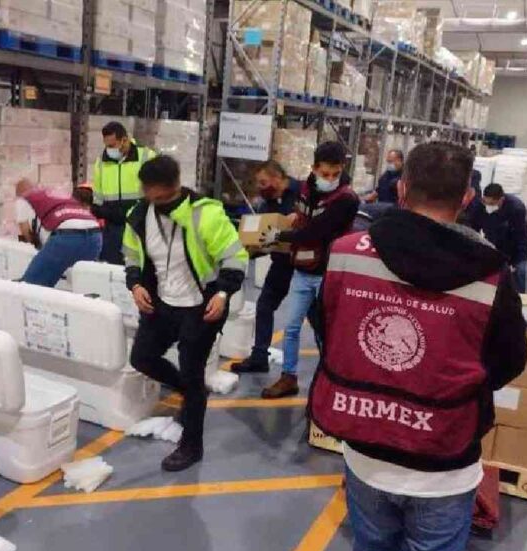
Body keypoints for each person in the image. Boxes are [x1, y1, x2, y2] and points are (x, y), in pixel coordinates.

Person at [310, 142, 527, 551]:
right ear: (467, 198)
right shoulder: (491, 276)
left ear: (402, 188)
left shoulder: (347, 252)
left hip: (365, 452)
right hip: (443, 460)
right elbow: (509, 361)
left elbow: (327, 329)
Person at [125, 156, 248, 472]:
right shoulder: (138, 216)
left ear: (178, 185)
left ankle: (191, 445)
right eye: (155, 198)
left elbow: (235, 257)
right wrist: (135, 284)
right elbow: (131, 254)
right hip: (161, 304)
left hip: (200, 307)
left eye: (168, 197)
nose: (162, 204)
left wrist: (223, 293)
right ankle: (191, 392)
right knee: (142, 358)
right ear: (145, 191)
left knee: (193, 373)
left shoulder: (205, 215)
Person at [260, 141, 359, 399]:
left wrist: (280, 236)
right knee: (291, 327)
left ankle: (330, 382)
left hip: (329, 273)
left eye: (336, 173)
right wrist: (294, 218)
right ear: (314, 168)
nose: (330, 179)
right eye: (325, 173)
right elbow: (302, 217)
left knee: (326, 331)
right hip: (303, 271)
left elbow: (315, 232)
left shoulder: (347, 200)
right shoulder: (305, 189)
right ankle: (288, 377)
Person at [231, 160, 300, 374]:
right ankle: (259, 357)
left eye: (263, 182)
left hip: (306, 265)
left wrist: (300, 219)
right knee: (264, 306)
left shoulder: (304, 193)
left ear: (277, 177)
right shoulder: (267, 204)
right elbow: (266, 239)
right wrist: (250, 249)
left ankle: (329, 360)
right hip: (282, 262)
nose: (261, 188)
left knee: (313, 315)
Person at [92, 122, 156, 265]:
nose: (109, 149)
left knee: (137, 265)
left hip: (139, 224)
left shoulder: (146, 157)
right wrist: (100, 210)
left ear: (124, 140)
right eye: (107, 145)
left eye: (112, 145)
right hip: (113, 226)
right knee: (111, 268)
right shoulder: (101, 162)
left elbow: (157, 190)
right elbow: (98, 194)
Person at [18, 180, 102, 288]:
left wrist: (34, 243)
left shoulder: (25, 198)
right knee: (81, 286)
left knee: (31, 286)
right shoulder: (57, 195)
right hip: (95, 235)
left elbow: (25, 229)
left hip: (67, 236)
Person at [468, 183, 527, 294]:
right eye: (486, 202)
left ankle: (521, 296)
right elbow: (473, 231)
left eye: (492, 204)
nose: (488, 206)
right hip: (493, 243)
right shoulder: (479, 207)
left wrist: (516, 262)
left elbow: (522, 238)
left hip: (513, 248)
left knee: (520, 272)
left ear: (501, 200)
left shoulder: (516, 209)